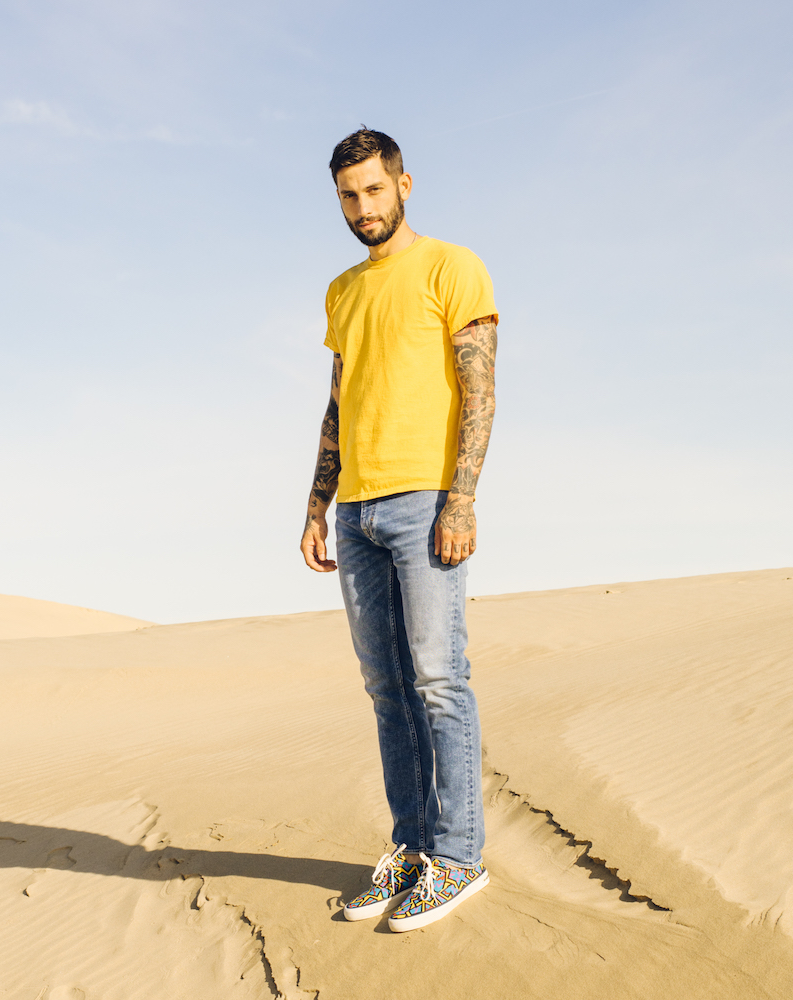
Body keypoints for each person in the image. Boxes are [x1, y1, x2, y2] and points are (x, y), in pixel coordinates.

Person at [300, 128, 498, 932]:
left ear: (404, 185)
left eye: (374, 191)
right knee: (387, 689)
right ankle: (413, 849)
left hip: (425, 500)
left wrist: (462, 499)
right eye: (348, 196)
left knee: (439, 679)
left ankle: (458, 858)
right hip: (357, 509)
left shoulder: (453, 266)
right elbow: (339, 401)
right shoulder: (342, 291)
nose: (362, 208)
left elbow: (480, 388)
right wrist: (317, 504)